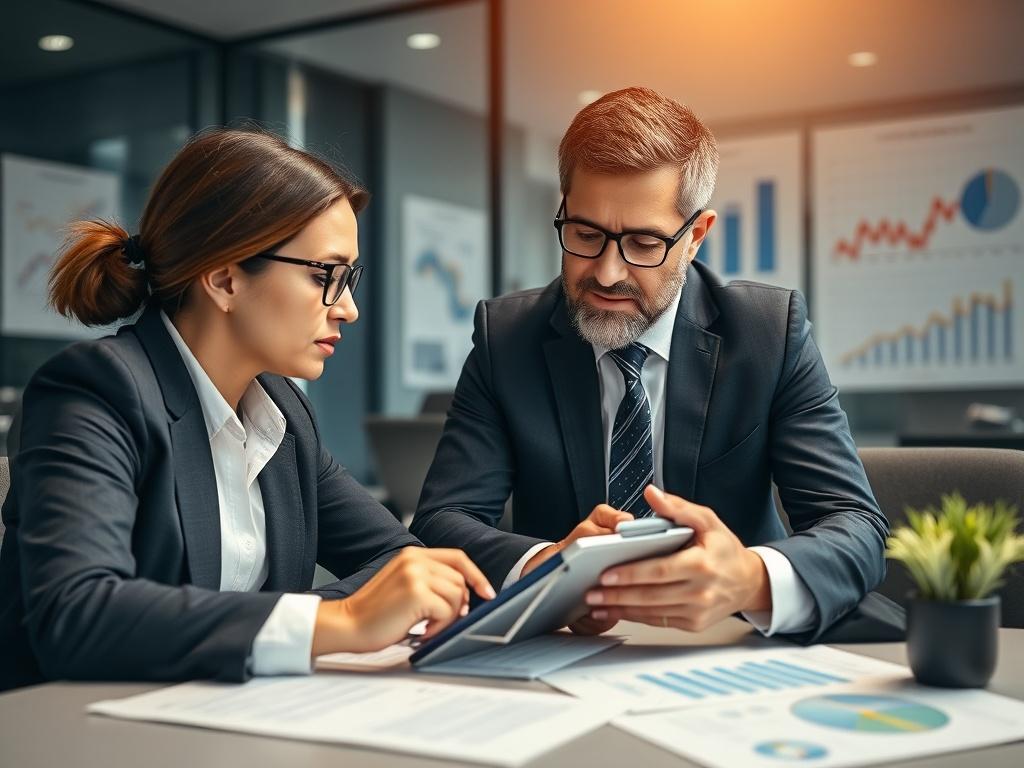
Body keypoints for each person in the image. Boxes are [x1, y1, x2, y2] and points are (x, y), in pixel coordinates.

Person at [0, 128, 494, 692]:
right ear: (225, 278)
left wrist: (321, 620)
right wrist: (342, 619)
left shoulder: (282, 417)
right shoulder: (95, 391)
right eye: (324, 276)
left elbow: (396, 561)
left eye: (349, 278)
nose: (349, 309)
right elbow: (77, 615)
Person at [411, 87, 888, 643]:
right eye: (586, 235)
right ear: (561, 211)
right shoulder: (507, 337)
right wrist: (548, 570)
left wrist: (749, 579)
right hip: (564, 649)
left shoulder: (767, 333)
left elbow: (855, 524)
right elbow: (443, 522)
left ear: (696, 237)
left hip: (732, 644)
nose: (608, 273)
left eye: (642, 243)